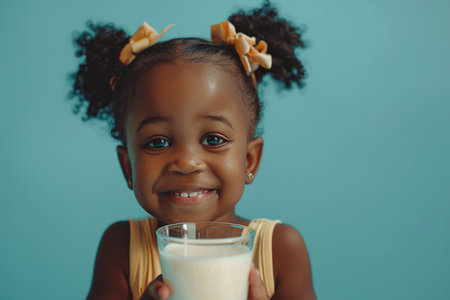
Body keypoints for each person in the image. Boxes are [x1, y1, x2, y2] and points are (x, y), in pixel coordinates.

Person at [70, 1, 316, 299]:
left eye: (213, 139)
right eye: (158, 142)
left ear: (250, 159)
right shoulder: (121, 246)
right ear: (128, 167)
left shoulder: (281, 249)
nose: (186, 162)